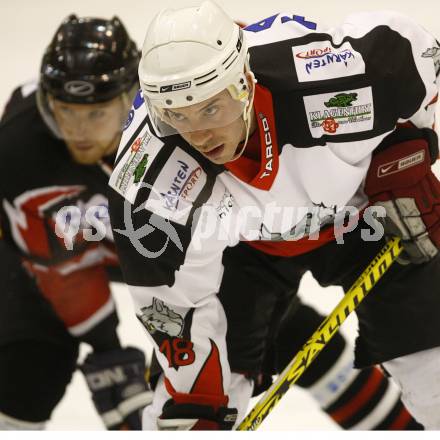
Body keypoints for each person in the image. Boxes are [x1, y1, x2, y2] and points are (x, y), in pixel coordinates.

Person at [108, 0, 440, 430]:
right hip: (243, 249)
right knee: (187, 421)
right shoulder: (148, 184)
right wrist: (198, 391)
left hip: (367, 218)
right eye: (176, 116)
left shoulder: (334, 81)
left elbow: (419, 53)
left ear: (244, 84)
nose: (198, 135)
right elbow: (170, 301)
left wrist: (409, 146)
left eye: (210, 108)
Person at [0, 15, 152, 430]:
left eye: (97, 113)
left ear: (131, 100)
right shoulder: (18, 149)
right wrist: (109, 355)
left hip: (149, 251)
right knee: (29, 367)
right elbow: (60, 270)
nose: (78, 131)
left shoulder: (176, 130)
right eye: (67, 112)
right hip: (49, 257)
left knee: (273, 330)